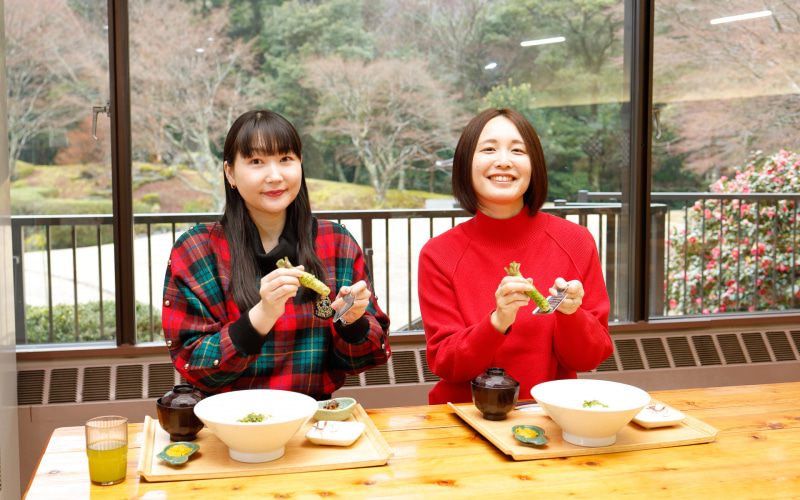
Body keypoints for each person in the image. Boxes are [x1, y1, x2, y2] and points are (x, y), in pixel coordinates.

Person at [162, 109, 390, 399]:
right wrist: (263, 314)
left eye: (285, 159)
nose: (275, 176)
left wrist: (352, 321)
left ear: (300, 164)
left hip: (316, 417)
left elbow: (370, 357)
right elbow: (193, 364)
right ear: (230, 173)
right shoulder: (196, 248)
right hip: (228, 418)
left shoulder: (336, 241)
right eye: (256, 162)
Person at [417, 108, 612, 405]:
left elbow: (589, 359)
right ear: (466, 163)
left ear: (534, 165)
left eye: (518, 150)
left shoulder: (576, 241)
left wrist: (572, 315)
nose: (504, 161)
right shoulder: (438, 254)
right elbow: (448, 364)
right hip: (465, 419)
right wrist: (498, 321)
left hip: (551, 415)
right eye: (489, 149)